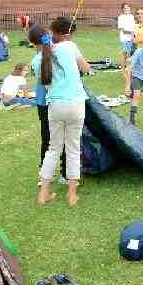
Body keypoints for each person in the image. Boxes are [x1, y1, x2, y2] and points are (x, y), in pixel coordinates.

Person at [30, 23, 90, 206]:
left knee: (53, 148)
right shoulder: (69, 46)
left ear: (34, 44)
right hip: (76, 104)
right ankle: (72, 195)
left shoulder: (36, 61)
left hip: (55, 105)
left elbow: (45, 82)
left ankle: (44, 193)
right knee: (73, 149)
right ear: (48, 35)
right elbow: (85, 67)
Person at [117, 4, 136, 70]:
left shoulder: (131, 16)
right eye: (125, 8)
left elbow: (134, 27)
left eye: (128, 8)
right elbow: (122, 30)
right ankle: (123, 68)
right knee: (125, 53)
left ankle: (128, 67)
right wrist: (132, 33)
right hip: (124, 38)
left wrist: (134, 34)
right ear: (122, 9)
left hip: (132, 38)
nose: (127, 9)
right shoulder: (121, 17)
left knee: (130, 53)